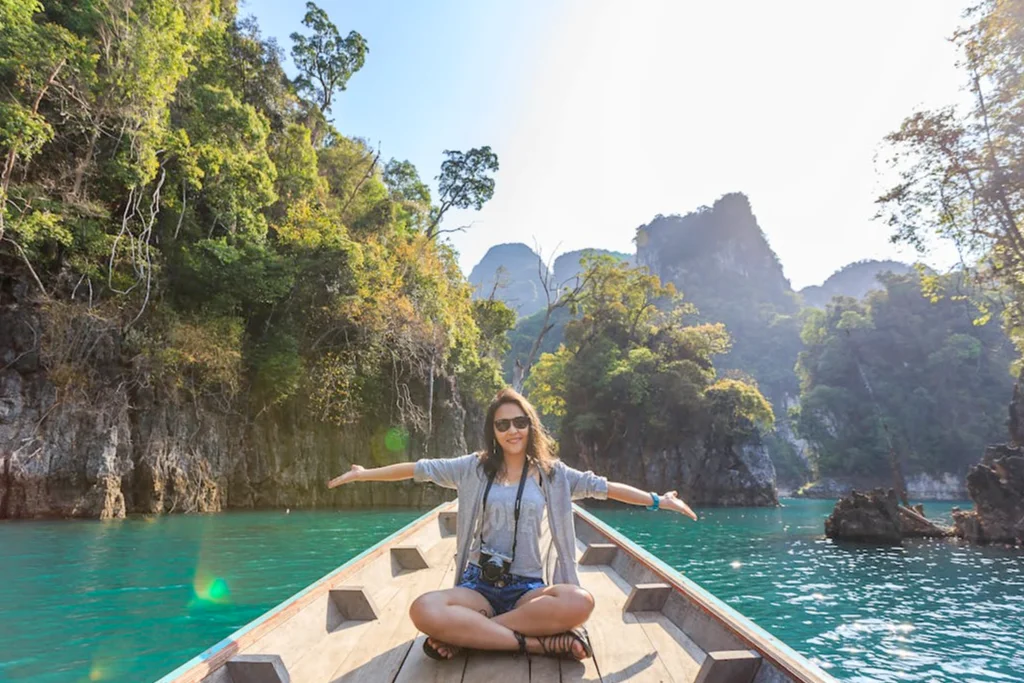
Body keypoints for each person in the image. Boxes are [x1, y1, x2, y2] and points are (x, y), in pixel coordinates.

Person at [326, 387, 697, 663]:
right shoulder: (472, 468)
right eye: (502, 424)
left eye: (519, 422)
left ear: (530, 426)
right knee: (423, 609)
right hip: (479, 586)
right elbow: (416, 469)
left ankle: (471, 634)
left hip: (527, 589)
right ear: (493, 430)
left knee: (578, 601)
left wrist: (657, 500)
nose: (512, 430)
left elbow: (606, 488)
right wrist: (363, 474)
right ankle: (534, 643)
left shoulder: (555, 476)